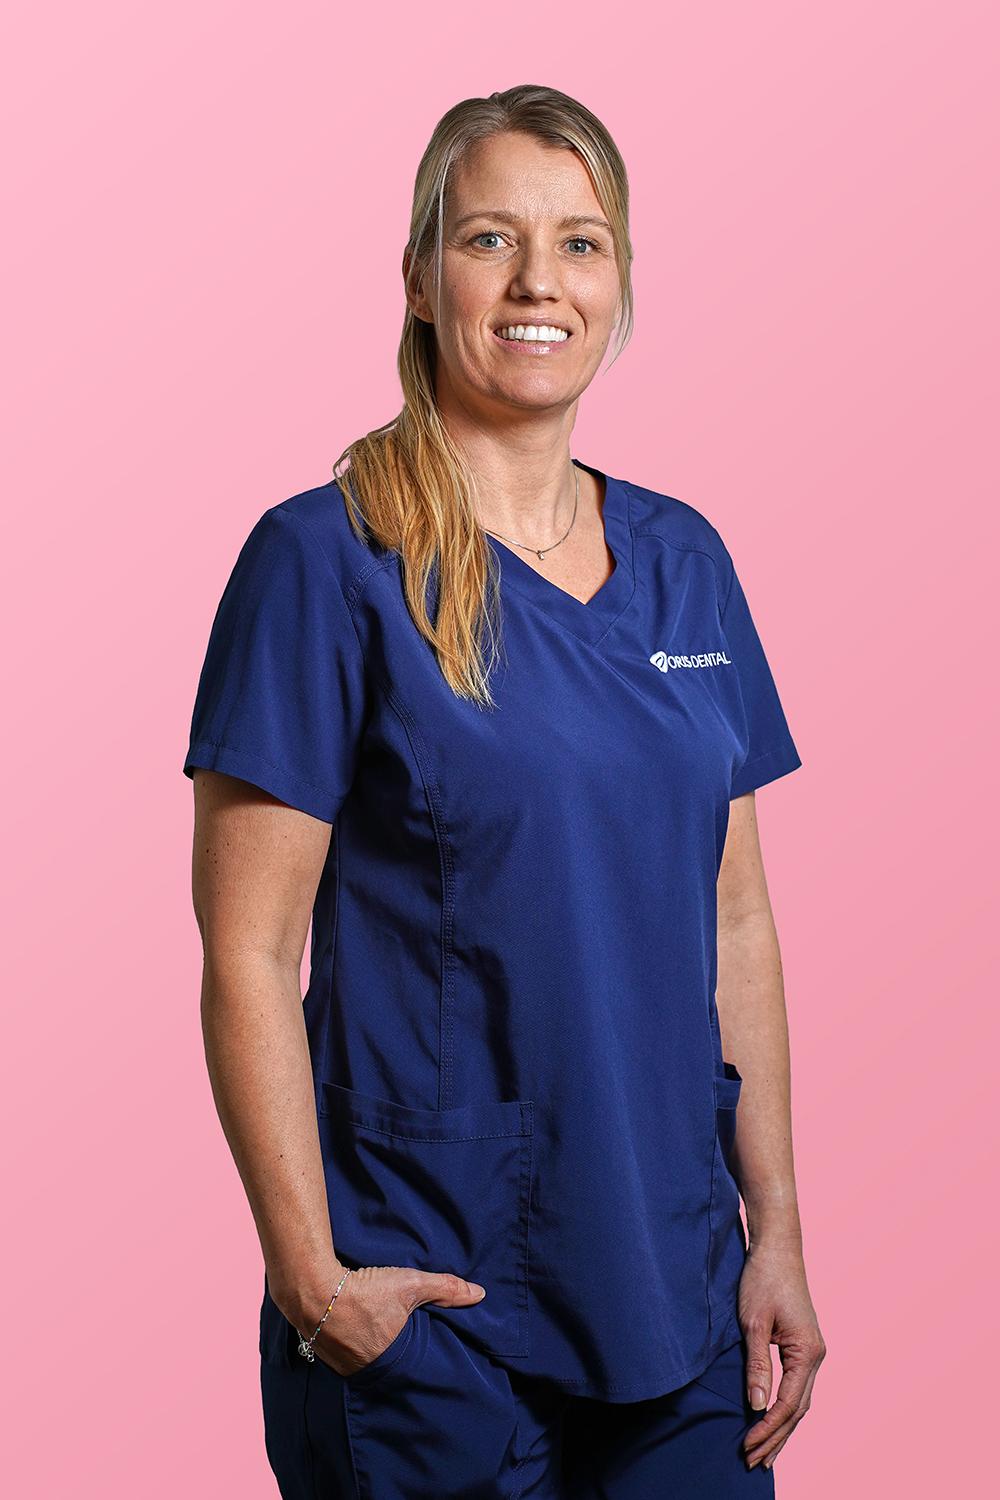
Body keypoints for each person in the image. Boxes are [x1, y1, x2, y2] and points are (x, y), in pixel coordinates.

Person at [183, 84, 825, 1499]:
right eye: (490, 239)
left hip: (678, 1289)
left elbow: (736, 926)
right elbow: (248, 952)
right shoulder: (325, 562)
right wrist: (313, 1281)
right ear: (421, 278)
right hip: (434, 1303)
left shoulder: (686, 561)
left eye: (581, 244)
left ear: (620, 284)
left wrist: (775, 1228)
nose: (540, 282)